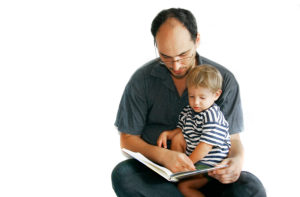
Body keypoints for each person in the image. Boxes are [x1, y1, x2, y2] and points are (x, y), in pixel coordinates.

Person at [112, 8, 266, 197]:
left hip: (205, 173)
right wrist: (163, 155)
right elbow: (127, 139)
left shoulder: (224, 80)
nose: (176, 66)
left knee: (251, 187)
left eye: (183, 55)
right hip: (158, 174)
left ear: (197, 40)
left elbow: (233, 139)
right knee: (123, 175)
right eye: (166, 57)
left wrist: (236, 161)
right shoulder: (141, 80)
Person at [157, 65, 231, 197]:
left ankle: (181, 173)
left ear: (216, 95)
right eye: (191, 96)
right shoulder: (188, 111)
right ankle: (176, 169)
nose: (196, 102)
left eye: (202, 98)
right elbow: (180, 130)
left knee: (185, 187)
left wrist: (188, 163)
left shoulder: (213, 116)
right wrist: (168, 134)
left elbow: (206, 146)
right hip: (194, 162)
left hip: (209, 166)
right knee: (178, 137)